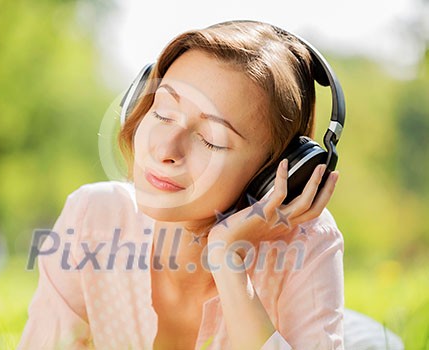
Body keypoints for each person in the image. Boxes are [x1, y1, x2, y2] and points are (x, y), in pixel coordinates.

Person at [18, 20, 344, 349]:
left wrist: (227, 259)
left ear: (273, 174)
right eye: (162, 113)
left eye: (211, 140)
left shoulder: (307, 241)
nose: (165, 149)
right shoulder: (94, 217)